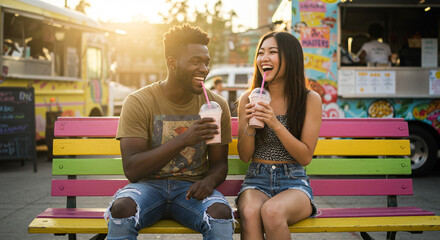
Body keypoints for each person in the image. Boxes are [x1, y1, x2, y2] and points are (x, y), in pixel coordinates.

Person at [104, 24, 234, 240]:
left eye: (206, 62)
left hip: (192, 190)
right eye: (195, 61)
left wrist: (209, 182)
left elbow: (220, 164)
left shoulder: (215, 105)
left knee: (220, 214)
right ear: (172, 62)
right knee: (122, 209)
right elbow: (133, 169)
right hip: (147, 187)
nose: (204, 69)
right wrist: (184, 139)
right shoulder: (139, 102)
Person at [236, 31, 322, 240]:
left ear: (290, 58)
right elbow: (245, 156)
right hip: (257, 179)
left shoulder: (309, 99)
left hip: (293, 182)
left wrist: (275, 123)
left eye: (272, 52)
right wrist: (249, 125)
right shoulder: (249, 98)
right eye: (261, 53)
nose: (264, 58)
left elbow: (305, 157)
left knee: (272, 211)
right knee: (249, 212)